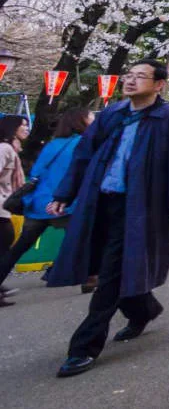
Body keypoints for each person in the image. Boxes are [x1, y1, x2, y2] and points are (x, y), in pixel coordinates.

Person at [44, 59, 169, 378]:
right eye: (129, 75)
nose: (131, 81)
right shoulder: (112, 114)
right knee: (108, 262)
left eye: (141, 77)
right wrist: (63, 195)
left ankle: (83, 348)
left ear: (159, 85)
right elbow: (84, 155)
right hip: (99, 202)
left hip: (142, 205)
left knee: (110, 273)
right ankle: (145, 309)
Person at [0, 109, 92, 303]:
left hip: (38, 203)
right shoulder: (82, 144)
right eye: (90, 118)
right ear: (80, 122)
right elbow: (80, 173)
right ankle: (88, 278)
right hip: (65, 203)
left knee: (19, 247)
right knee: (83, 239)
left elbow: (37, 171)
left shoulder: (52, 145)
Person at [0, 114, 29, 305]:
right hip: (0, 205)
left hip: (4, 205)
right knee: (5, 240)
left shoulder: (11, 149)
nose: (27, 129)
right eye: (23, 126)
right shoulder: (4, 149)